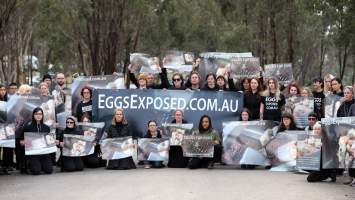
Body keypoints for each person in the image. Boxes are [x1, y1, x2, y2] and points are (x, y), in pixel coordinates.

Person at [20, 107, 53, 175]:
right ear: (33, 115)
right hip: (33, 153)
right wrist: (24, 142)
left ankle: (41, 164)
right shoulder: (28, 127)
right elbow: (21, 141)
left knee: (49, 170)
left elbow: (49, 141)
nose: (38, 115)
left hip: (44, 153)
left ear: (42, 115)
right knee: (36, 171)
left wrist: (53, 141)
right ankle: (30, 164)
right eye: (36, 114)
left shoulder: (46, 128)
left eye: (40, 114)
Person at [0, 85, 13, 174]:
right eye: (1, 90)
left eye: (4, 90)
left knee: (7, 147)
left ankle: (6, 166)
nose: (3, 91)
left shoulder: (9, 100)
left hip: (7, 126)